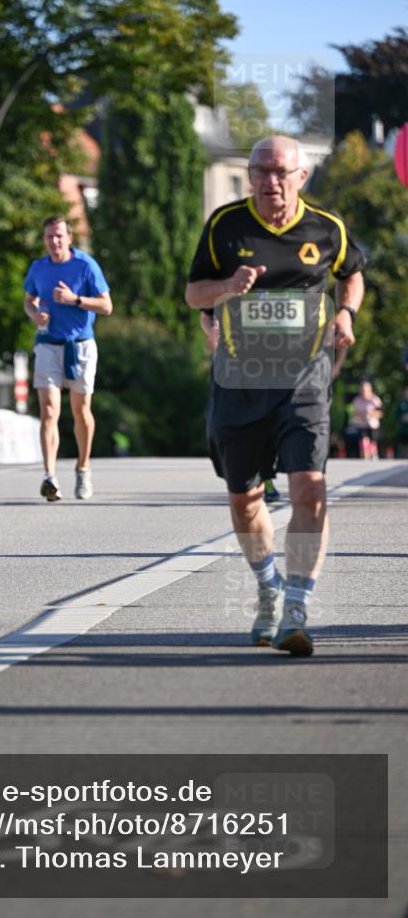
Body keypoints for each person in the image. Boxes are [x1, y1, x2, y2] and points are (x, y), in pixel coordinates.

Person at [186, 135, 365, 656]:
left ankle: (295, 608)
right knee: (245, 501)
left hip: (305, 380)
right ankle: (267, 587)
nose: (269, 182)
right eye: (259, 171)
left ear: (301, 177)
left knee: (310, 490)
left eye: (279, 172)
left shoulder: (326, 229)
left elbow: (351, 274)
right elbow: (193, 292)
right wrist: (226, 288)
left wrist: (347, 313)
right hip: (239, 382)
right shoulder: (226, 225)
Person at [23, 216, 112, 501]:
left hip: (81, 345)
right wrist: (34, 314)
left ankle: (83, 468)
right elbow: (29, 300)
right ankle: (49, 476)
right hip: (48, 344)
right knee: (49, 410)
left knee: (80, 410)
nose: (54, 241)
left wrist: (75, 299)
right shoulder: (38, 268)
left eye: (59, 236)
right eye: (49, 236)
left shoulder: (85, 265)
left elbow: (106, 306)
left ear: (69, 237)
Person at [200, 310, 282, 504]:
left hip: (264, 362)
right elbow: (205, 316)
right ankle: (245, 478)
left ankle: (266, 478)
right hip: (230, 367)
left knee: (265, 421)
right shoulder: (226, 284)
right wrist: (213, 332)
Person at [350, 379, 383, 459]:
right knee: (364, 442)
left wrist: (371, 415)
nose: (364, 392)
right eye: (363, 390)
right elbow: (354, 414)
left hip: (372, 425)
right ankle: (365, 457)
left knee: (372, 442)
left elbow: (380, 413)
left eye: (366, 390)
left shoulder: (375, 400)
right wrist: (360, 417)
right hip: (362, 425)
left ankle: (373, 456)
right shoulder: (357, 400)